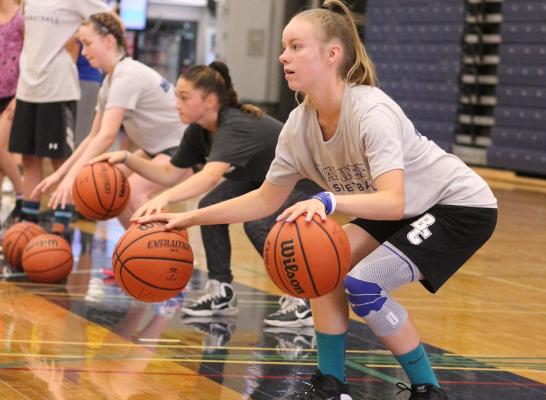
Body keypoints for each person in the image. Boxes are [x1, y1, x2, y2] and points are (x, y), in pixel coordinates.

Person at [135, 1, 498, 399]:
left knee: (363, 283)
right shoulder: (298, 125)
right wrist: (187, 219)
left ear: (332, 54)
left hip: (455, 205)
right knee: (323, 269)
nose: (282, 56)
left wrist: (327, 200)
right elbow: (263, 199)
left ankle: (428, 390)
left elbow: (393, 202)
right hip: (404, 204)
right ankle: (331, 385)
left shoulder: (370, 111)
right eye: (284, 47)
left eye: (295, 46)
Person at [89, 61, 317, 327]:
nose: (177, 104)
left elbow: (208, 176)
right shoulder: (198, 130)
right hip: (263, 178)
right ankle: (221, 291)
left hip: (303, 178)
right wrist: (127, 158)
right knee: (211, 207)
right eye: (176, 96)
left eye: (184, 97)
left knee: (258, 224)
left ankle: (304, 297)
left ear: (210, 101)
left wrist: (165, 197)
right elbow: (169, 173)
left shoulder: (234, 124)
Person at [32, 12, 187, 229]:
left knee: (131, 191)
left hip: (182, 149)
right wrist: (60, 175)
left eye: (87, 44)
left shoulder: (127, 75)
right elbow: (92, 137)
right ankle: (136, 248)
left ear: (109, 41)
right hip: (155, 148)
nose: (84, 52)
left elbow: (106, 136)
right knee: (111, 190)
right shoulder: (110, 82)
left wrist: (70, 180)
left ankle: (168, 253)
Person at [8, 0, 112, 235]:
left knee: (61, 162)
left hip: (57, 88)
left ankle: (60, 232)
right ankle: (28, 227)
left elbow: (112, 20)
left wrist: (105, 59)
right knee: (29, 160)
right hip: (27, 88)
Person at [0, 0, 24, 228]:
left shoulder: (21, 17)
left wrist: (20, 95)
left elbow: (30, 56)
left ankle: (22, 195)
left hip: (13, 95)